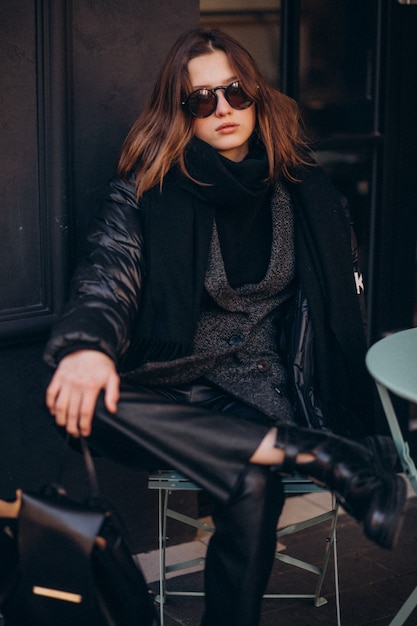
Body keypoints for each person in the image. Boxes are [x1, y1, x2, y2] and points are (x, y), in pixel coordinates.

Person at [44, 28, 405, 626]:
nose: (222, 110)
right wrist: (87, 347)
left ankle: (301, 446)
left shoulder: (305, 192)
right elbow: (106, 274)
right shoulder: (144, 193)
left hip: (258, 389)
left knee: (248, 486)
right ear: (180, 113)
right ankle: (313, 453)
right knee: (68, 382)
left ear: (256, 95)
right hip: (167, 387)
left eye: (234, 92)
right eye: (201, 99)